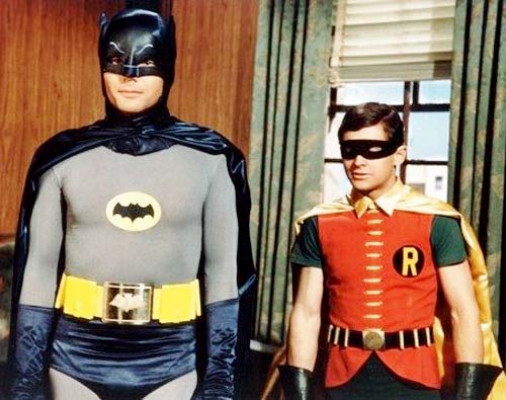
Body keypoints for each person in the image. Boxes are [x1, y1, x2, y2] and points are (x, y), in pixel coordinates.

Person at [8, 7, 255, 400]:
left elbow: (225, 280)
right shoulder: (62, 158)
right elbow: (37, 275)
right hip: (75, 358)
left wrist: (219, 382)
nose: (130, 75)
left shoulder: (211, 160)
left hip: (172, 360)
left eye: (148, 62)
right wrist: (25, 382)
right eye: (115, 60)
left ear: (169, 67)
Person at [279, 102, 504, 400]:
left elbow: (463, 312)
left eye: (373, 150)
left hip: (417, 380)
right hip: (341, 378)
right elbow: (306, 314)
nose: (358, 161)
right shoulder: (318, 224)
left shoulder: (438, 221)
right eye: (349, 150)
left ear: (399, 154)